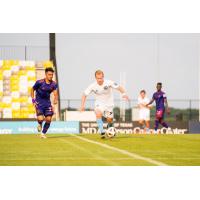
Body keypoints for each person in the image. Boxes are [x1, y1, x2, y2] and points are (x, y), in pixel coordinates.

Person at [80, 70, 130, 138]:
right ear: (95, 78)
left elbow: (119, 87)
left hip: (109, 105)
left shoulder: (109, 82)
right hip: (99, 104)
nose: (100, 80)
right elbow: (84, 94)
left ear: (103, 77)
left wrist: (124, 94)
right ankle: (102, 131)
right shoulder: (93, 86)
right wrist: (82, 105)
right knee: (98, 113)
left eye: (101, 78)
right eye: (98, 78)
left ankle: (110, 126)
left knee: (109, 119)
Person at [31, 67, 58, 138]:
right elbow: (32, 89)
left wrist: (55, 99)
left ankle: (43, 134)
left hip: (47, 103)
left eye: (52, 75)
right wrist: (33, 100)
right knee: (40, 119)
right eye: (49, 74)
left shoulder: (54, 84)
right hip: (39, 103)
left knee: (49, 119)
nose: (51, 76)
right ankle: (40, 124)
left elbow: (55, 93)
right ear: (46, 74)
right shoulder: (39, 82)